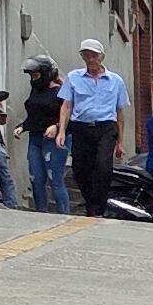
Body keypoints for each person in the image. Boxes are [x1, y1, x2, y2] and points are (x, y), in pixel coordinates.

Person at [57, 41, 129, 215]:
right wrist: (61, 131)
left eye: (94, 55)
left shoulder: (116, 81)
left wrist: (120, 142)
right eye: (87, 55)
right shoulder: (74, 77)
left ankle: (97, 208)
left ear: (102, 57)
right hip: (81, 126)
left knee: (103, 166)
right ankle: (91, 202)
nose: (91, 59)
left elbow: (120, 113)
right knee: (80, 168)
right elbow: (66, 106)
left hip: (106, 126)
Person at [20, 57, 67, 212]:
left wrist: (57, 126)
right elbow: (34, 115)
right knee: (36, 179)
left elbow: (70, 118)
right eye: (32, 76)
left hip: (53, 142)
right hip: (35, 138)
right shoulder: (35, 91)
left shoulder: (60, 93)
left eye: (36, 75)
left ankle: (63, 214)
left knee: (55, 180)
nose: (34, 79)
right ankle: (41, 213)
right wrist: (23, 126)